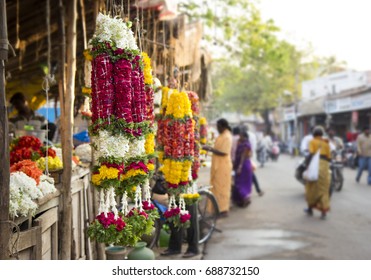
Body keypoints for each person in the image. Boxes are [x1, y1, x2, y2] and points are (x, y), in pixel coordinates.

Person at [202, 118, 233, 218]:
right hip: (218, 165)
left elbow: (224, 152)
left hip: (223, 166)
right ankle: (217, 208)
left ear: (223, 126)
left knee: (222, 188)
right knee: (216, 186)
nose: (217, 128)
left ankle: (223, 209)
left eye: (218, 126)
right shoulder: (222, 135)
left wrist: (209, 149)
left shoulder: (227, 136)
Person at [304, 126, 331, 220]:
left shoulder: (312, 141)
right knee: (323, 189)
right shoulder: (326, 143)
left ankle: (310, 208)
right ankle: (324, 212)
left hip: (314, 166)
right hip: (324, 167)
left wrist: (307, 164)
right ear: (322, 134)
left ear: (313, 134)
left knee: (311, 188)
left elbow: (311, 153)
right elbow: (329, 158)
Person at [232, 130, 253, 207]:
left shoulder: (246, 145)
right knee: (241, 183)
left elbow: (243, 156)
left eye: (240, 136)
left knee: (241, 184)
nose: (239, 137)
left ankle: (245, 200)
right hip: (243, 165)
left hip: (244, 166)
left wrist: (240, 166)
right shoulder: (242, 143)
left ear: (244, 136)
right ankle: (242, 200)